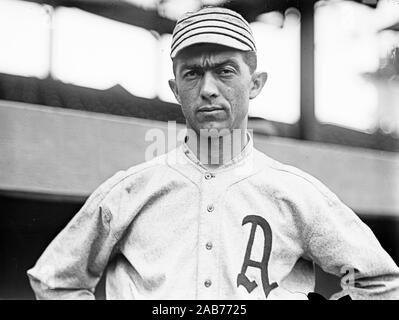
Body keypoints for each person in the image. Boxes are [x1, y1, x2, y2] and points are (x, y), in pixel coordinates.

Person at [27, 6, 399, 300]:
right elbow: (55, 280)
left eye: (224, 71)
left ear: (255, 84)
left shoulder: (296, 193)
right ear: (175, 88)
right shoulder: (130, 191)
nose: (208, 89)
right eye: (192, 74)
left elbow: (380, 280)